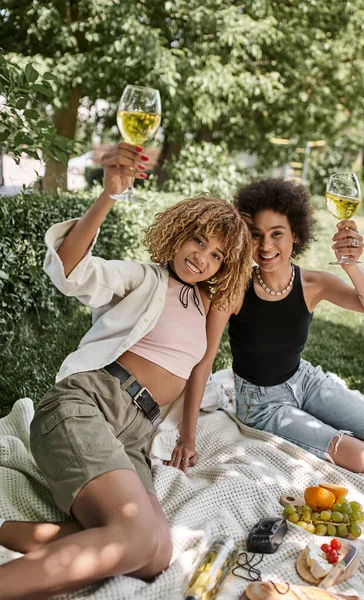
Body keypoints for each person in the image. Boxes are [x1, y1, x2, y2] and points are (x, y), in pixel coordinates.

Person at [0, 142, 252, 600]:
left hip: (134, 434)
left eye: (217, 255)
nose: (202, 257)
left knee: (155, 556)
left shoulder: (206, 305)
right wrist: (108, 197)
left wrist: (188, 436)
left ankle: (6, 531)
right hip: (87, 404)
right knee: (136, 539)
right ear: (179, 233)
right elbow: (72, 270)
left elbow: (201, 368)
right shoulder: (144, 278)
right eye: (199, 240)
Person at [169, 178, 364, 475]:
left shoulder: (314, 284)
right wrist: (188, 439)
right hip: (261, 403)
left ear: (296, 236)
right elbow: (203, 363)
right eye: (256, 235)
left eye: (277, 234)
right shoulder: (235, 290)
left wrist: (350, 265)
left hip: (305, 380)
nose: (265, 245)